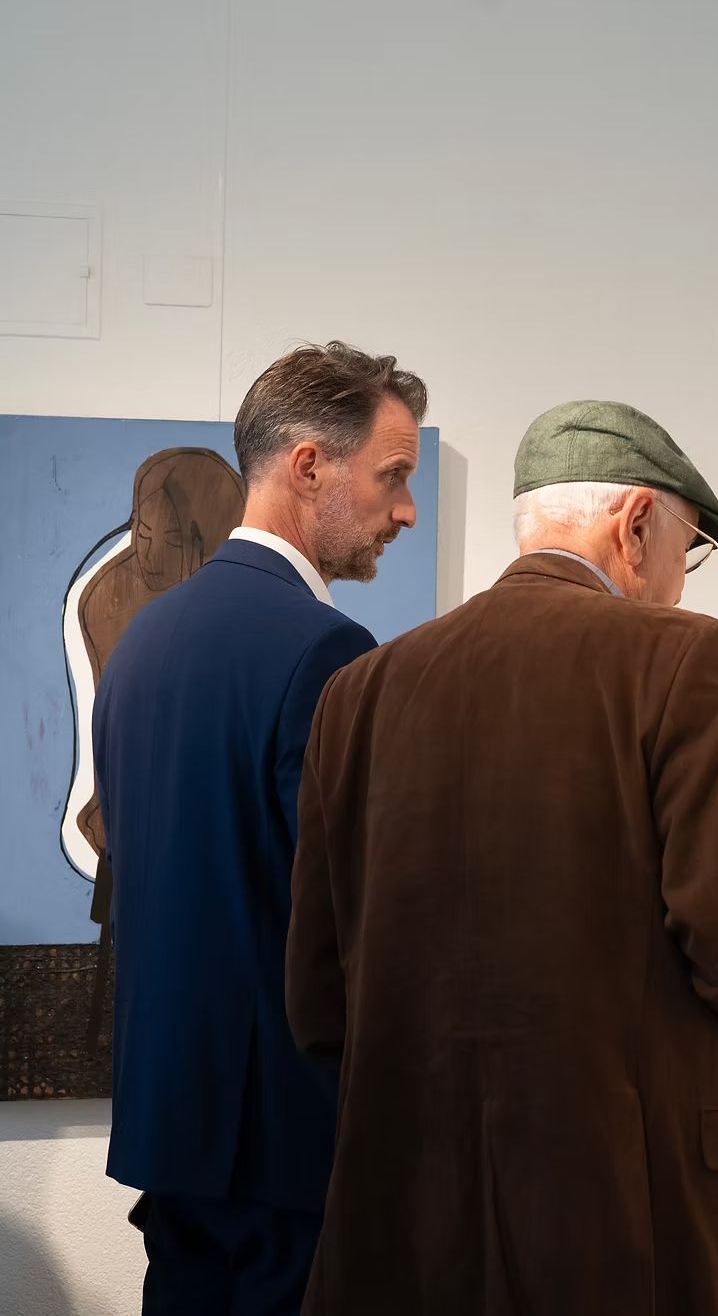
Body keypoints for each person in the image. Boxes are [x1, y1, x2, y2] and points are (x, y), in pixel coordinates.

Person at [287, 399, 718, 1315]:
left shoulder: (358, 695)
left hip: (412, 1220)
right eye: (686, 550)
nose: (679, 584)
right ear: (636, 522)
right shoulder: (689, 659)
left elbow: (316, 998)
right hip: (637, 1214)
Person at [93, 341, 427, 1314]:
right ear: (310, 465)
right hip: (288, 1151)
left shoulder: (142, 644)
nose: (405, 510)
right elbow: (355, 910)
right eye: (393, 476)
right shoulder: (326, 647)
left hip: (174, 1139)